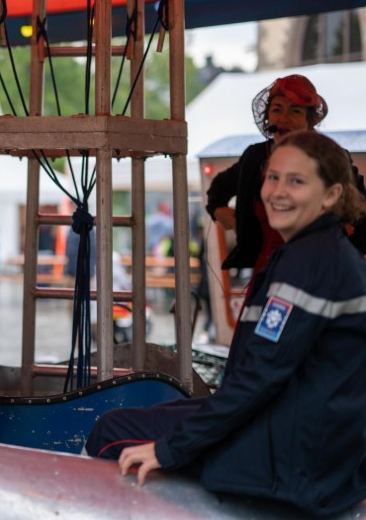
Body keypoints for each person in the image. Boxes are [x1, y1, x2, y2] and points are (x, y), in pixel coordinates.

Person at [86, 131, 366, 517]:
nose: (278, 192)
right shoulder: (316, 253)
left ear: (331, 195)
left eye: (296, 181)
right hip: (303, 440)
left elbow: (261, 376)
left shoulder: (310, 264)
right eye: (273, 177)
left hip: (292, 463)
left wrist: (170, 449)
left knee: (111, 432)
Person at [206, 74, 366, 275]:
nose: (283, 118)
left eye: (295, 111)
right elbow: (219, 187)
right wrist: (223, 213)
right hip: (267, 270)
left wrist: (347, 258)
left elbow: (362, 211)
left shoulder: (330, 156)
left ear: (309, 120)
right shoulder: (255, 157)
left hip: (317, 270)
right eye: (277, 110)